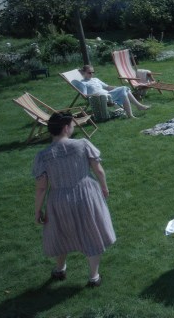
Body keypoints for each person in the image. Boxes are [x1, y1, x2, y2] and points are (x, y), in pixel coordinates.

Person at [34, 112, 116, 288]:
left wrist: (38, 210)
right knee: (91, 233)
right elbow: (99, 170)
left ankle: (60, 269)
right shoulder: (83, 144)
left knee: (61, 232)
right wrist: (104, 187)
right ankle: (94, 277)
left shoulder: (43, 155)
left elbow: (41, 188)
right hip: (86, 194)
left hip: (58, 199)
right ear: (65, 128)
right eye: (72, 125)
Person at [73, 65, 149, 118]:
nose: (91, 74)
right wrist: (94, 94)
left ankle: (133, 112)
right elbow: (84, 96)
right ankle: (137, 108)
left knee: (124, 89)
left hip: (108, 94)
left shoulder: (96, 79)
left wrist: (116, 87)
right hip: (100, 97)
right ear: (84, 72)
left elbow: (107, 87)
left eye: (93, 72)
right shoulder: (83, 83)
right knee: (124, 90)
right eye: (89, 72)